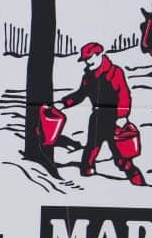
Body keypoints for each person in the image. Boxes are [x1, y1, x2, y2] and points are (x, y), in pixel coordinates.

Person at [53, 42, 145, 185]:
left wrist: (122, 116)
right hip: (97, 118)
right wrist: (64, 103)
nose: (88, 62)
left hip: (114, 120)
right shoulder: (88, 77)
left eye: (90, 57)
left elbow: (124, 95)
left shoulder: (115, 72)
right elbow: (80, 94)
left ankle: (136, 179)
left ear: (100, 54)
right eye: (85, 59)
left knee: (121, 154)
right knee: (91, 147)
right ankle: (88, 174)